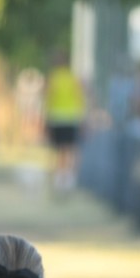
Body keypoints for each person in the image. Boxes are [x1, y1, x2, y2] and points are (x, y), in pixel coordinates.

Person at [43, 53, 86, 192]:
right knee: (70, 148)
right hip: (71, 118)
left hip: (57, 118)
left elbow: (48, 98)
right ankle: (67, 177)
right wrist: (82, 118)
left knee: (60, 149)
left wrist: (46, 118)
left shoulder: (53, 78)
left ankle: (61, 177)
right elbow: (79, 98)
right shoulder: (73, 78)